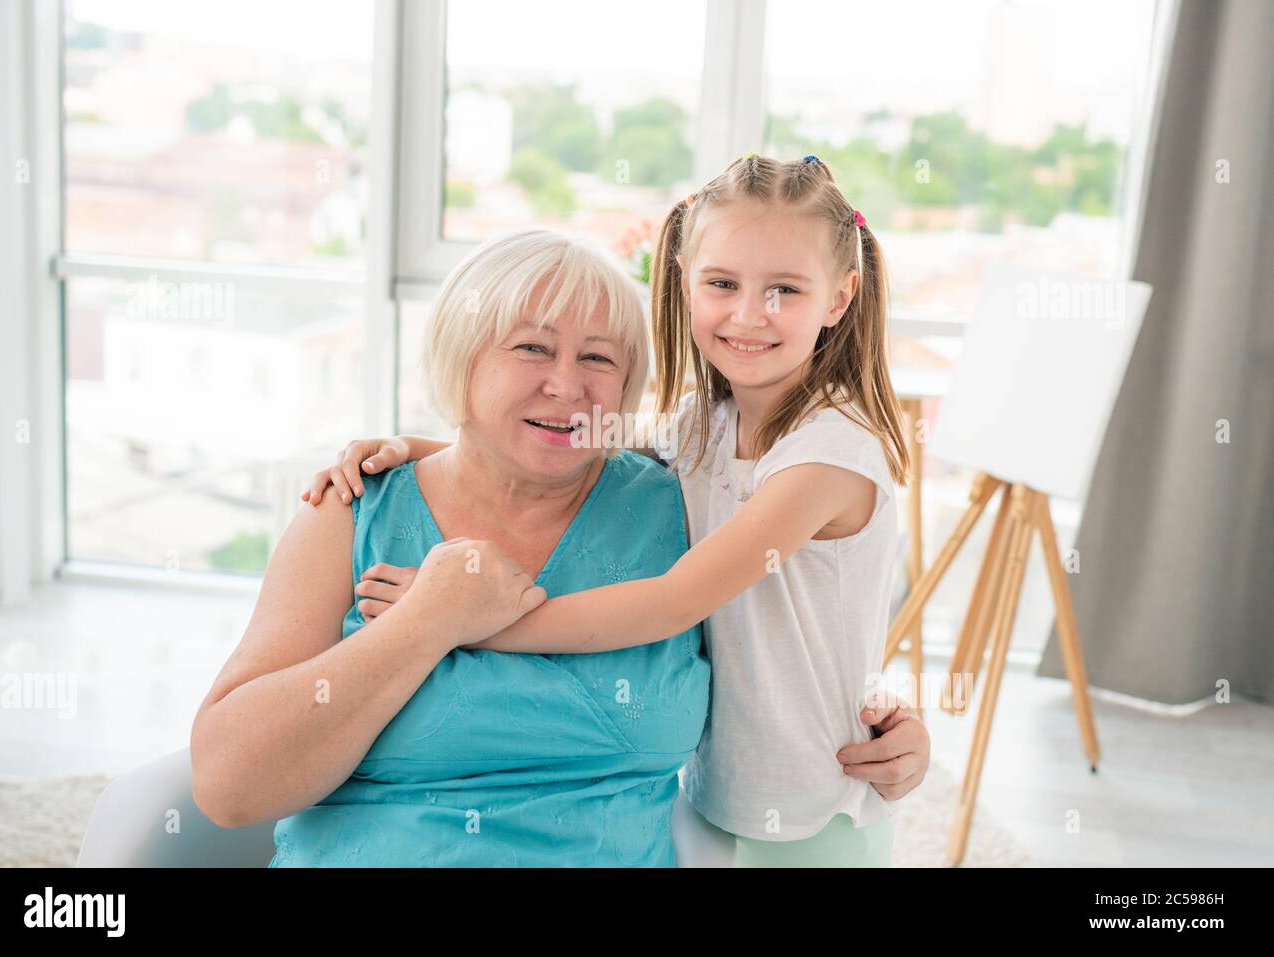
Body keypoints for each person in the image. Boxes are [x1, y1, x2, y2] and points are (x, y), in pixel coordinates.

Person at [304, 155, 928, 866]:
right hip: (715, 793)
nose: (750, 314)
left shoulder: (828, 453)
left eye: (785, 288)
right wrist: (420, 446)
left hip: (817, 807)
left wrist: (460, 617)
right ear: (684, 281)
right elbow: (577, 441)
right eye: (722, 283)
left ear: (841, 297)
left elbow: (673, 601)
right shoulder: (705, 423)